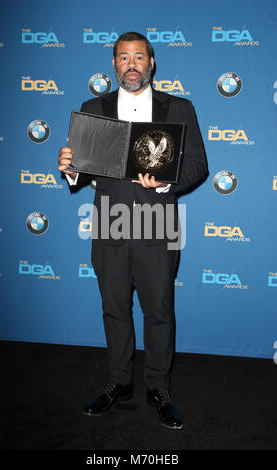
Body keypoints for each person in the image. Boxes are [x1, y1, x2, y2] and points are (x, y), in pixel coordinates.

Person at [58, 32, 208, 429]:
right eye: (123, 57)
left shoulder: (179, 108)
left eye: (139, 56)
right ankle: (119, 382)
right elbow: (83, 167)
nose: (131, 64)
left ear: (151, 63)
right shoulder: (94, 107)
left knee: (159, 310)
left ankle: (158, 388)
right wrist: (72, 169)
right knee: (114, 308)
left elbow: (197, 165)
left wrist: (162, 183)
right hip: (109, 220)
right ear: (114, 65)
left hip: (158, 221)